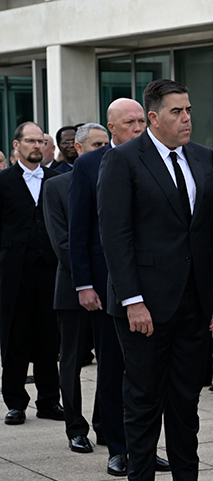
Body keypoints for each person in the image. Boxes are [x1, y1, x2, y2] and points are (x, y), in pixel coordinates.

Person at [98, 79, 213, 481]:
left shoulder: (201, 158)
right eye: (177, 111)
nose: (187, 118)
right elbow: (116, 236)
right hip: (145, 306)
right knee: (143, 400)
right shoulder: (123, 160)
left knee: (185, 400)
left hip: (194, 302)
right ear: (153, 118)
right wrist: (133, 300)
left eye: (189, 109)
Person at [68, 98, 161, 477]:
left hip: (152, 282)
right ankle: (118, 446)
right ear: (111, 128)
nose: (138, 128)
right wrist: (84, 284)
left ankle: (145, 447)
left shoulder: (155, 159)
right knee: (112, 368)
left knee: (148, 373)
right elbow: (79, 229)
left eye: (142, 121)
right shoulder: (90, 164)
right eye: (129, 123)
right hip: (107, 284)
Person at [43, 123, 108, 454]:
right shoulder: (55, 186)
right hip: (73, 288)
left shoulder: (114, 179)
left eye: (106, 144)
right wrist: (87, 279)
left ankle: (105, 424)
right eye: (97, 145)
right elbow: (62, 242)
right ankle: (75, 427)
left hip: (110, 288)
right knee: (71, 360)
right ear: (79, 148)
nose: (104, 150)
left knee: (110, 361)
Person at [0, 121, 63, 427]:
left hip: (50, 270)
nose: (37, 146)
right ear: (17, 145)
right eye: (30, 141)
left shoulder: (56, 179)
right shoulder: (3, 181)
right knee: (14, 336)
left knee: (49, 337)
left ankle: (49, 400)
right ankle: (15, 402)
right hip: (13, 273)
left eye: (41, 141)